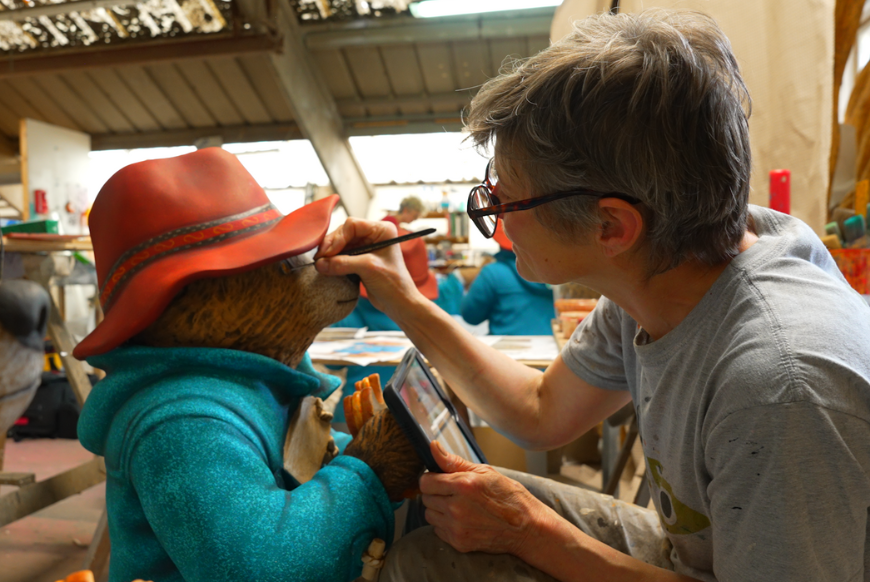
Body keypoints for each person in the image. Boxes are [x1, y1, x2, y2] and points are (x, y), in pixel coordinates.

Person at [313, 9, 870, 582]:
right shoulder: (664, 271)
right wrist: (401, 295)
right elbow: (540, 411)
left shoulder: (781, 386)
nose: (496, 216)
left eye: (509, 200)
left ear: (612, 227)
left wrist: (533, 534)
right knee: (433, 524)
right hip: (702, 554)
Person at [461, 222, 554, 335]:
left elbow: (470, 316)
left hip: (506, 348)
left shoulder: (493, 273)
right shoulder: (558, 270)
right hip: (557, 345)